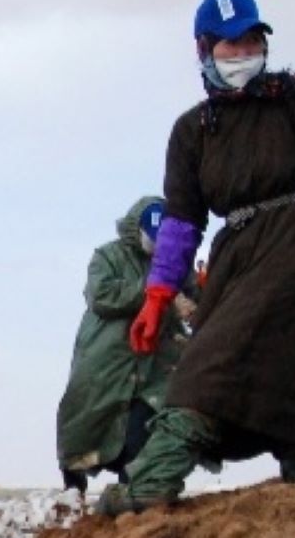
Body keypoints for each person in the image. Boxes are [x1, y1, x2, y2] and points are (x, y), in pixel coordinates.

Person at [100, 0, 295, 515]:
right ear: (204, 50)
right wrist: (157, 296)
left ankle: (152, 482)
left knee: (214, 359)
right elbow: (181, 222)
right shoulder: (192, 131)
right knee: (278, 358)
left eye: (251, 40)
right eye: (230, 44)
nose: (243, 51)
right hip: (234, 254)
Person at [55, 198, 196, 492]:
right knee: (86, 420)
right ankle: (72, 491)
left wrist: (201, 296)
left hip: (156, 361)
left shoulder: (176, 263)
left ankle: (135, 493)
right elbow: (102, 294)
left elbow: (196, 297)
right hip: (108, 356)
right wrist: (159, 295)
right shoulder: (108, 256)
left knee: (146, 428)